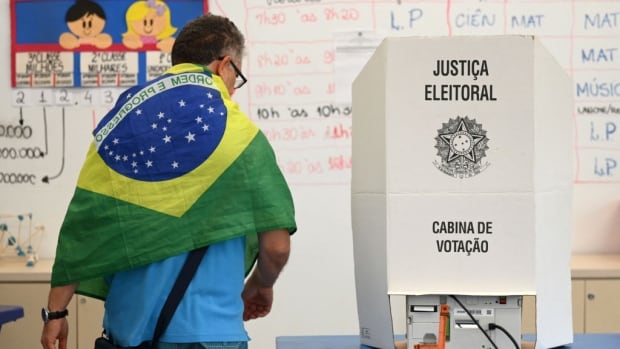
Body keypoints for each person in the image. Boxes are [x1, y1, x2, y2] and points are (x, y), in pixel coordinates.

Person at [41, 13, 297, 349]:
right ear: (225, 66)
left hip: (128, 330)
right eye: (238, 77)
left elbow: (86, 224)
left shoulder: (121, 128)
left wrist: (56, 313)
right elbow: (276, 248)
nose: (234, 89)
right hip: (212, 332)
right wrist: (261, 284)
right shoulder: (242, 140)